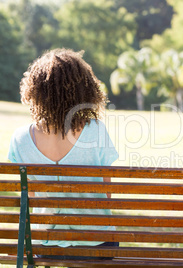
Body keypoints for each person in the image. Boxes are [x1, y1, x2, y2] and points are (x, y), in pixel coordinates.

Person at [8, 48, 119, 260]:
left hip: (45, 244)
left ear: (36, 92)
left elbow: (30, 199)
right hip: (96, 244)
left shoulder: (20, 138)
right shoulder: (95, 131)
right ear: (83, 90)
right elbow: (106, 196)